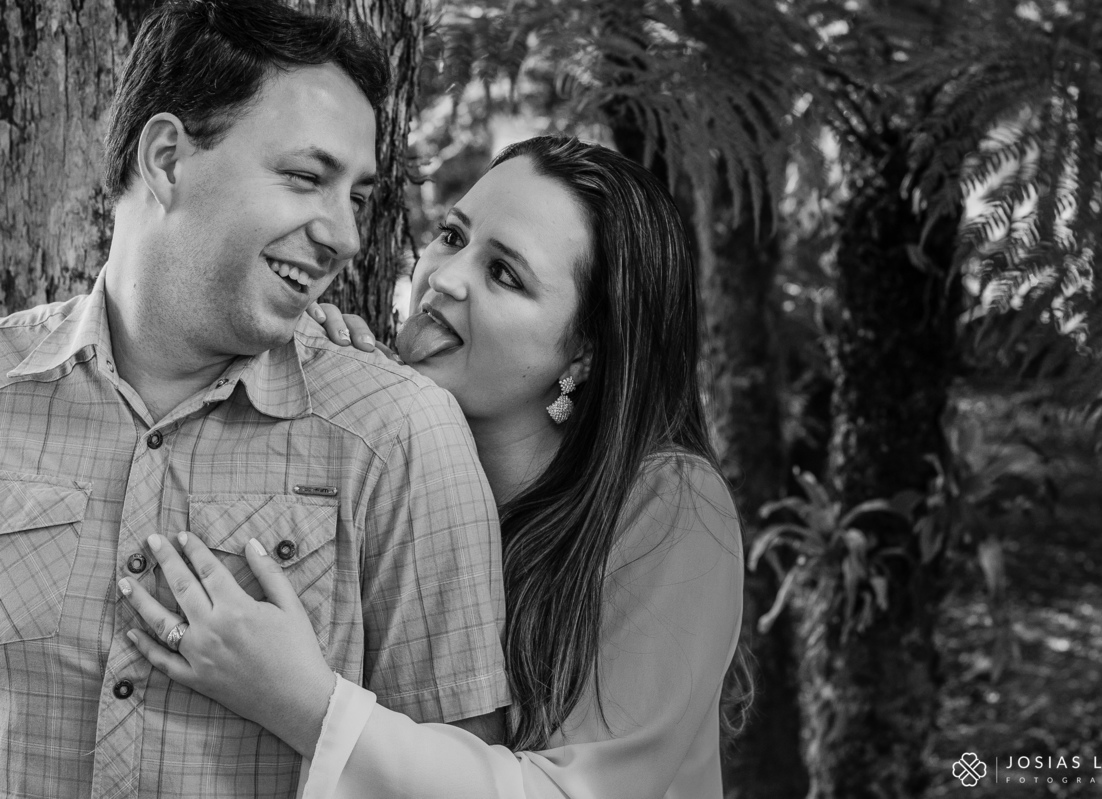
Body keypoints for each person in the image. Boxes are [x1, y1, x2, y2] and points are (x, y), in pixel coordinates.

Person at [119, 135, 749, 799]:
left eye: (504, 274)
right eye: (452, 235)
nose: (443, 275)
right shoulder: (391, 454)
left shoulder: (670, 503)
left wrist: (306, 704)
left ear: (587, 350)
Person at [0, 2, 509, 796]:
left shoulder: (396, 436)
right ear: (168, 158)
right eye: (307, 178)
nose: (345, 235)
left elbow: (463, 784)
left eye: (359, 197)